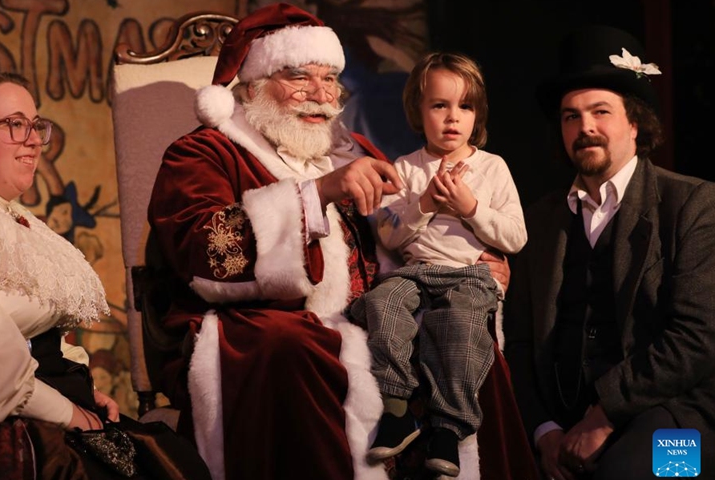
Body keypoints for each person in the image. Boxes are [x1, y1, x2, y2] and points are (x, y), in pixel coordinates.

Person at [148, 3, 535, 480]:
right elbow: (204, 249)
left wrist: (473, 260)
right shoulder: (204, 151)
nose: (321, 95)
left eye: (330, 78)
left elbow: (405, 235)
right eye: (299, 77)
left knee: (460, 338)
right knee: (295, 346)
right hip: (260, 321)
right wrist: (319, 193)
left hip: (372, 307)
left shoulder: (350, 148)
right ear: (252, 87)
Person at [0, 71, 211, 480]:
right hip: (8, 422)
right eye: (15, 125)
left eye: (36, 125)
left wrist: (86, 389)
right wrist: (68, 410)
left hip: (55, 397)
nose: (34, 139)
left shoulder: (7, 218)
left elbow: (44, 331)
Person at [505, 25, 715, 480]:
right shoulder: (538, 220)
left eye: (601, 112)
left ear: (635, 122)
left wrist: (602, 418)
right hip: (561, 426)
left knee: (644, 475)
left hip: (676, 420)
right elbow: (518, 342)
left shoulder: (694, 203)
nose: (585, 128)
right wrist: (544, 432)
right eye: (570, 116)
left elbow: (696, 338)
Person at [350, 52, 527, 477]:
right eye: (439, 105)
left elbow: (515, 237)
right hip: (416, 272)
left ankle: (449, 426)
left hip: (470, 275)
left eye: (464, 106)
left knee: (460, 326)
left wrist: (471, 207)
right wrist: (425, 203)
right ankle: (396, 409)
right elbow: (388, 234)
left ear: (477, 114)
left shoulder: (492, 168)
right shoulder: (406, 169)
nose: (453, 118)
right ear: (419, 109)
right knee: (384, 303)